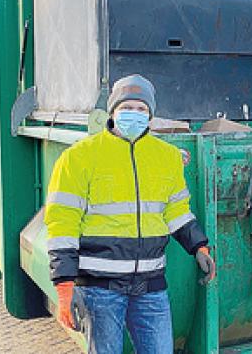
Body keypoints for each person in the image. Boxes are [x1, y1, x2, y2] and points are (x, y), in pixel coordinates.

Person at [44, 74, 216, 354]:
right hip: (100, 288)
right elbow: (62, 224)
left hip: (151, 285)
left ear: (150, 115)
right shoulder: (78, 158)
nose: (134, 114)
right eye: (127, 108)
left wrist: (199, 246)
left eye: (141, 109)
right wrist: (64, 286)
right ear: (112, 112)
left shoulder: (167, 157)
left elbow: (176, 211)